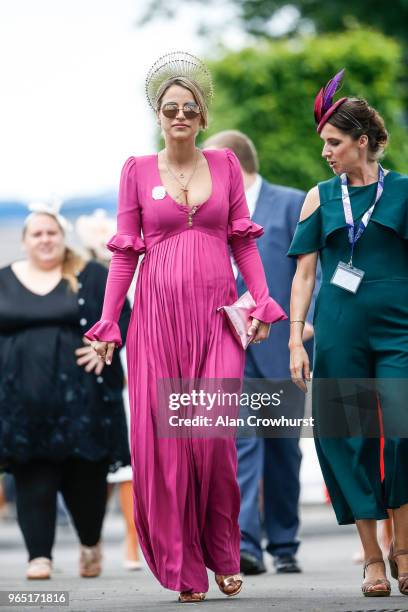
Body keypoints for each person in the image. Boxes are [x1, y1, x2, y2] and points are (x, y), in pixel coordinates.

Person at [85, 51, 286, 603]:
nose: (179, 115)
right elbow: (125, 255)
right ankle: (186, 568)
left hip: (217, 318)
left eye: (189, 108)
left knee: (213, 439)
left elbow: (242, 240)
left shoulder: (223, 165)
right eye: (170, 108)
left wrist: (262, 301)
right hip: (155, 319)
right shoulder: (137, 171)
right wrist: (107, 321)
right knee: (169, 447)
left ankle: (225, 551)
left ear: (201, 115)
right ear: (158, 114)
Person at [288, 69, 408, 597]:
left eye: (334, 143)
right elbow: (305, 272)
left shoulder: (403, 191)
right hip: (338, 334)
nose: (326, 153)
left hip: (399, 331)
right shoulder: (319, 196)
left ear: (363, 141)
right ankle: (372, 558)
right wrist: (295, 337)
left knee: (403, 435)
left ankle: (404, 548)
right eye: (324, 144)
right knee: (348, 437)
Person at [204, 130, 315, 575]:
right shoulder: (208, 212)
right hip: (226, 346)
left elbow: (315, 269)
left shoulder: (291, 203)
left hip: (283, 347)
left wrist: (306, 324)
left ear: (234, 164)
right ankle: (245, 541)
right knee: (241, 440)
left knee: (283, 446)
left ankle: (284, 542)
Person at [0, 203, 131, 580]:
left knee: (86, 478)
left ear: (63, 237)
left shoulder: (89, 275)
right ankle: (38, 556)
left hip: (84, 403)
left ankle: (90, 542)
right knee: (31, 477)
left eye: (51, 233)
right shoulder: (5, 279)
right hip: (22, 406)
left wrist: (103, 344)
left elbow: (124, 314)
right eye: (37, 234)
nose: (45, 240)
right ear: (25, 242)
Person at [76, 209, 141, 570]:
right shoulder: (85, 281)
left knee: (128, 468)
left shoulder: (134, 272)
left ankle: (132, 543)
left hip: (129, 368)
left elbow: (131, 321)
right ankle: (93, 539)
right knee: (100, 466)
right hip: (102, 377)